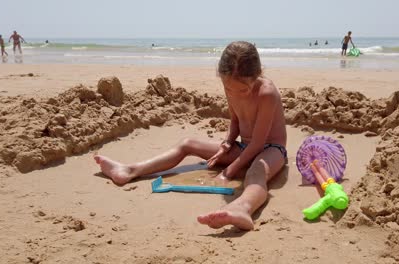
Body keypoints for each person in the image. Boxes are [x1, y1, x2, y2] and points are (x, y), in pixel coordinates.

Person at [94, 41, 287, 231]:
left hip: (270, 150)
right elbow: (236, 121)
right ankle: (129, 170)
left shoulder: (266, 93)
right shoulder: (231, 84)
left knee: (256, 172)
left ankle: (242, 207)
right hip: (244, 148)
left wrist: (228, 172)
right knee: (188, 143)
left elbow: (258, 143)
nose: (237, 93)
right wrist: (227, 144)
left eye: (244, 90)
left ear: (258, 73)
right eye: (229, 89)